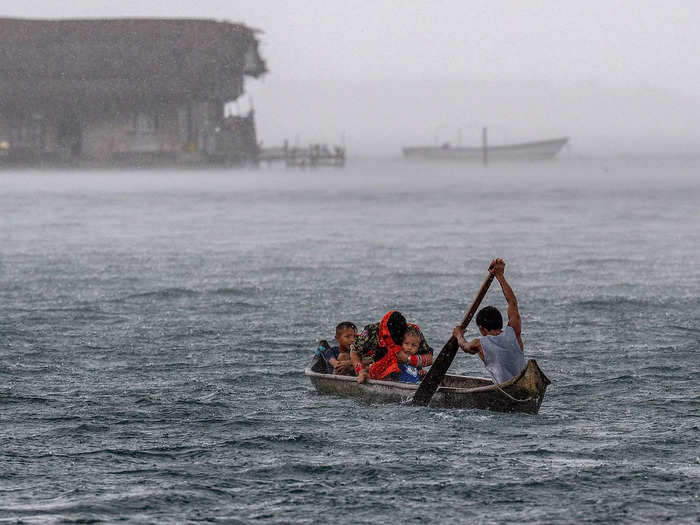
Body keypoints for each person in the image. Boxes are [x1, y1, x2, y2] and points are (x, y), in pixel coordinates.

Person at [453, 258, 526, 384]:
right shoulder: (514, 331)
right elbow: (512, 303)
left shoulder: (479, 344)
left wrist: (458, 334)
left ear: (482, 328)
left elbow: (465, 347)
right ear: (500, 322)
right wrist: (500, 276)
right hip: (523, 383)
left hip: (505, 390)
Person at [350, 311, 433, 383]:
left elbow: (429, 359)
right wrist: (360, 370)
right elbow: (354, 351)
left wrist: (408, 359)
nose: (395, 341)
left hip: (407, 371)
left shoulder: (411, 332)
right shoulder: (371, 331)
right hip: (373, 365)